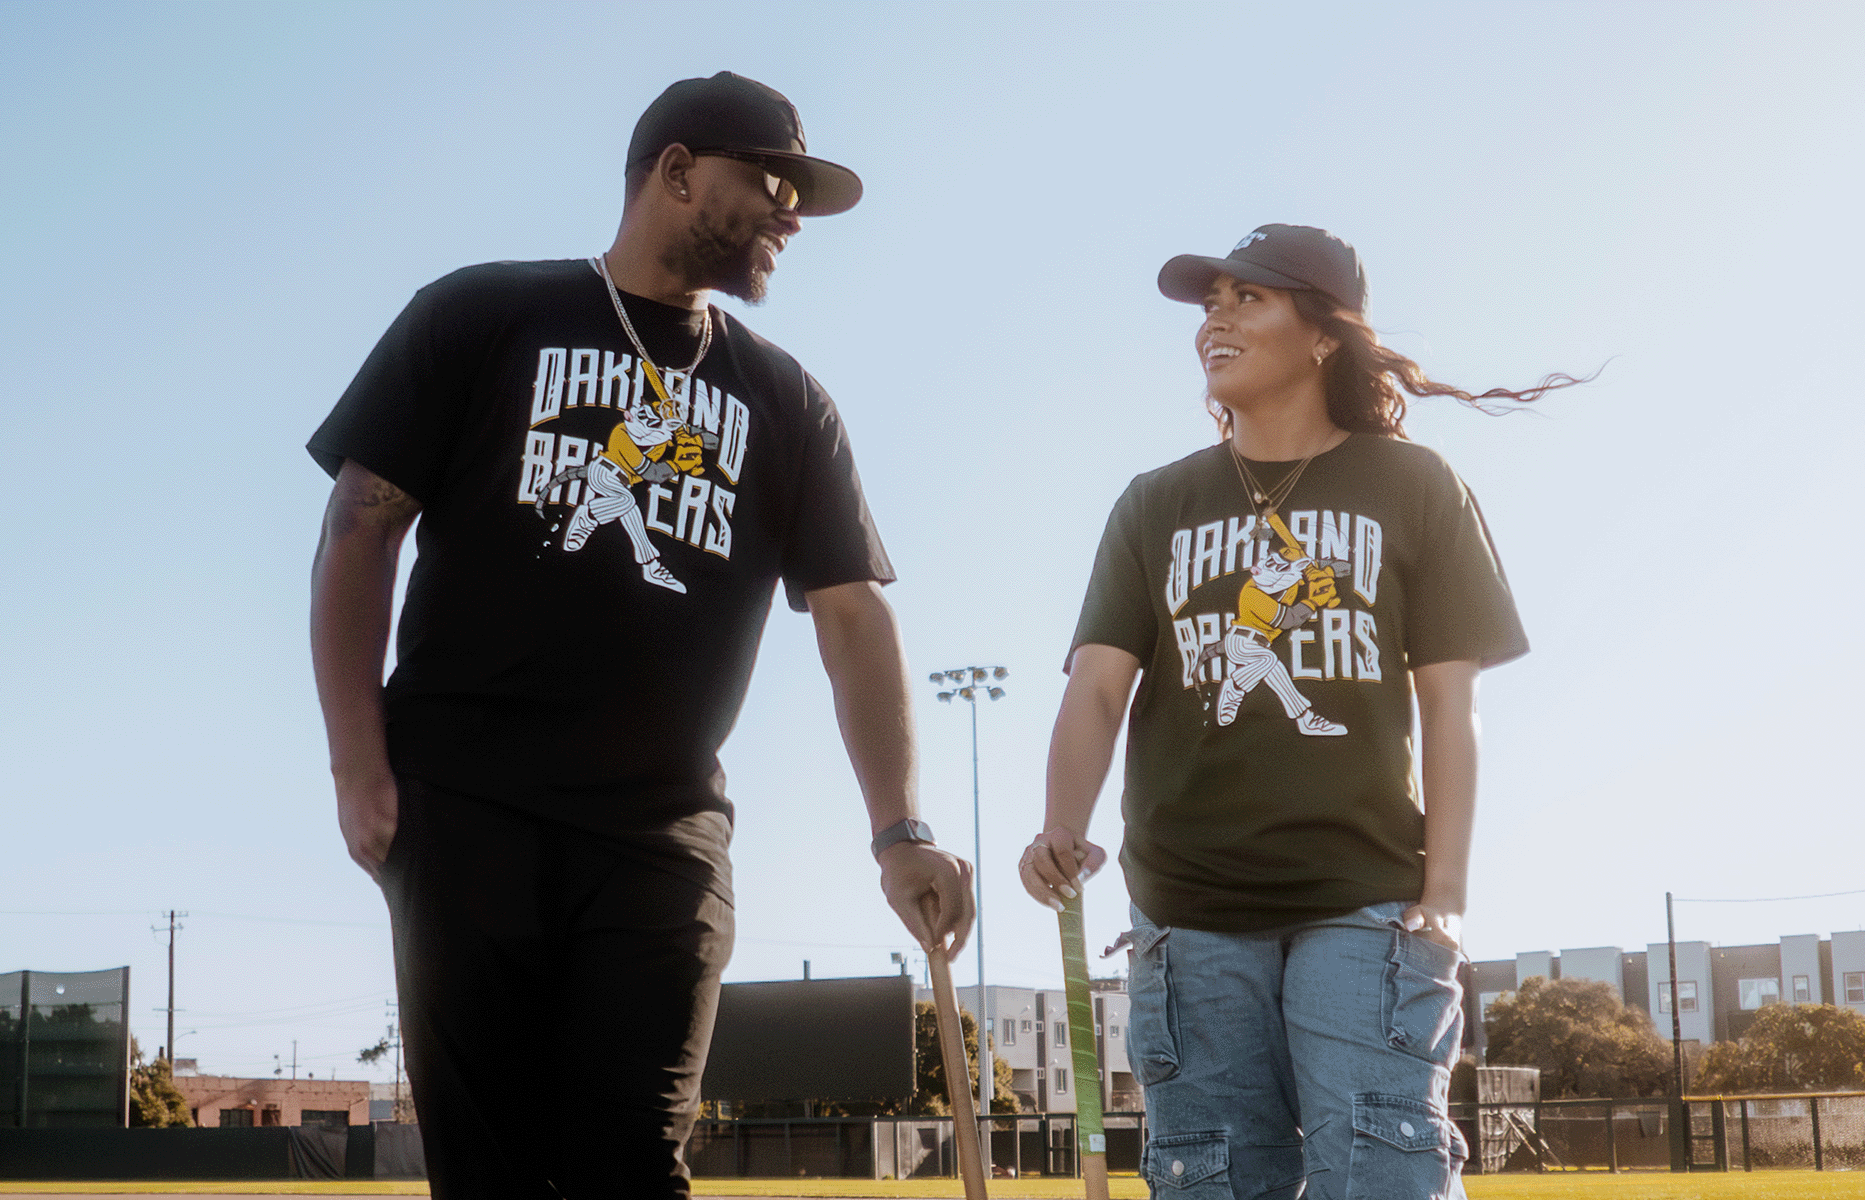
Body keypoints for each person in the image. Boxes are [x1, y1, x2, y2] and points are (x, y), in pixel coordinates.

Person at [306, 72, 973, 1196]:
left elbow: (854, 617)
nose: (789, 214)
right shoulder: (480, 316)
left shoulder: (785, 399)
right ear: (675, 171)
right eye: (771, 181)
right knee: (491, 1168)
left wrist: (898, 828)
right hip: (463, 807)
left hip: (659, 837)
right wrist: (354, 761)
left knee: (633, 1160)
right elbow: (356, 534)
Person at [1020, 225, 1572, 1196]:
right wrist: (1059, 826)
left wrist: (1443, 895)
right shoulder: (1154, 504)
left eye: (1248, 299)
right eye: (1209, 303)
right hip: (1187, 911)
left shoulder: (1413, 484)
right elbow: (1097, 686)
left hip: (1361, 901)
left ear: (1323, 335)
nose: (1214, 321)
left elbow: (1450, 704)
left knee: (1383, 1174)